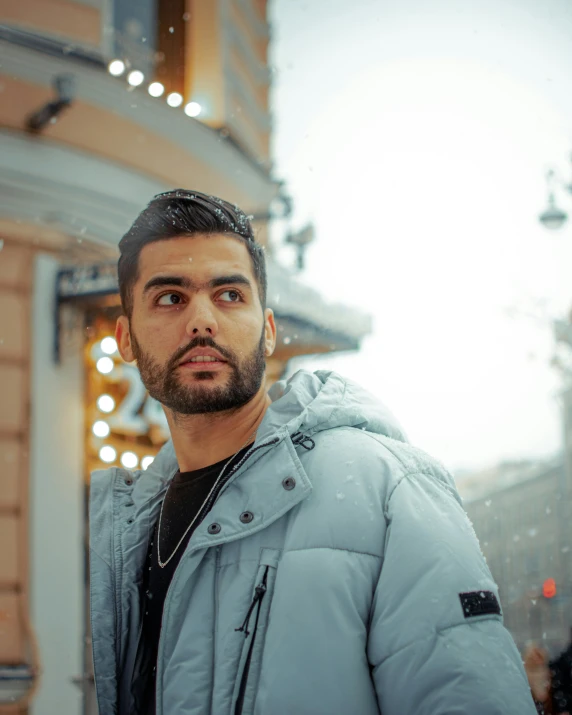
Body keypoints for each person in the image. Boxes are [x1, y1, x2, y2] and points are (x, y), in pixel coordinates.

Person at [89, 189, 537, 715]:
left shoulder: (388, 488)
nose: (202, 321)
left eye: (229, 295)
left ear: (269, 330)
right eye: (170, 298)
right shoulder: (130, 526)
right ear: (125, 338)